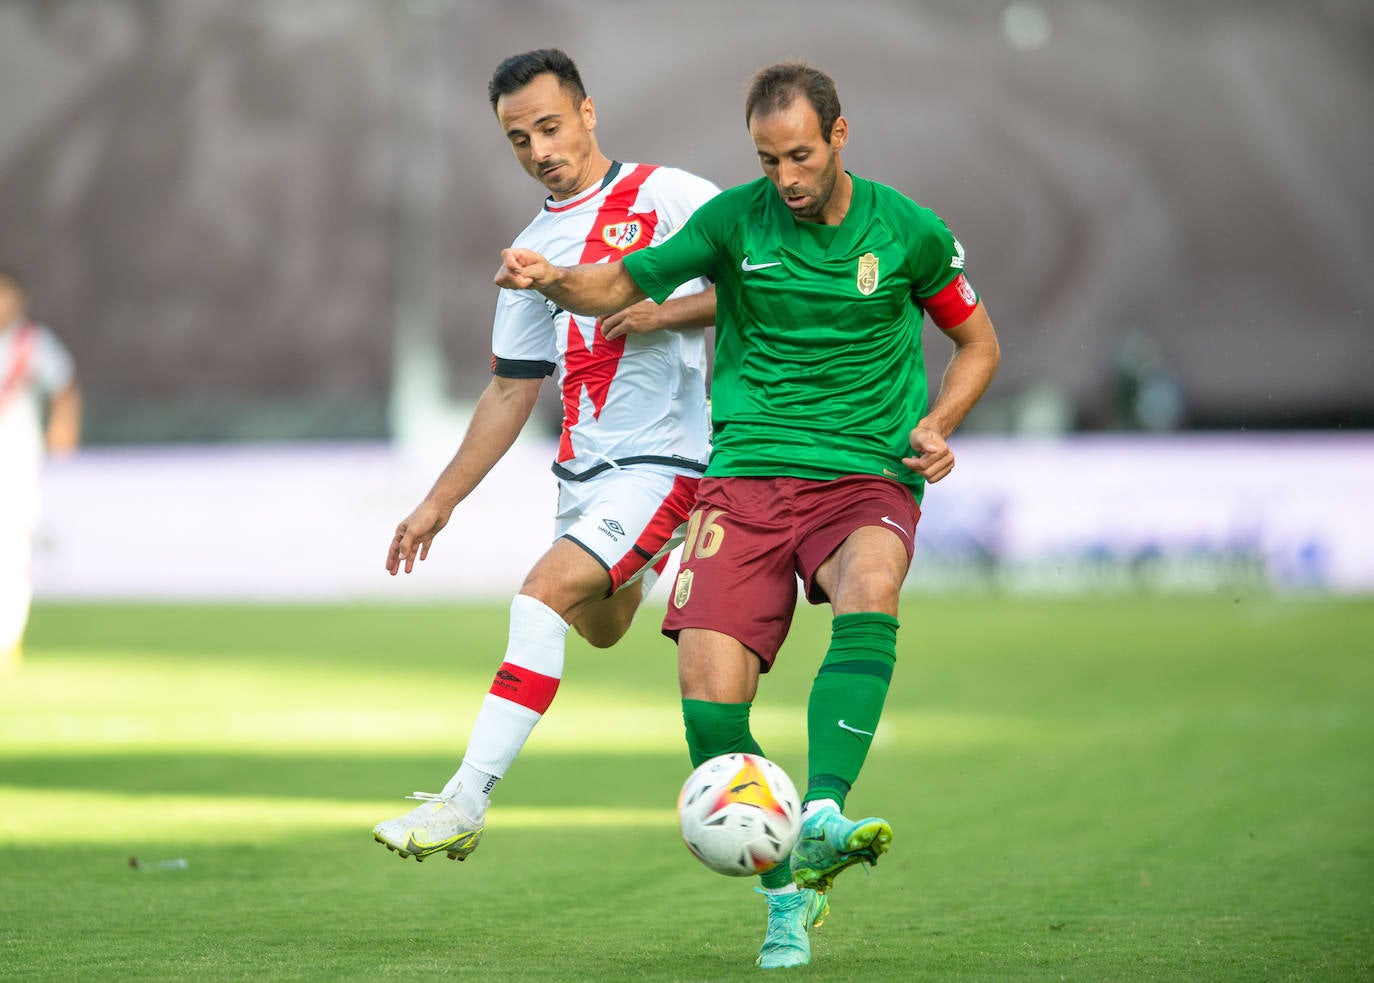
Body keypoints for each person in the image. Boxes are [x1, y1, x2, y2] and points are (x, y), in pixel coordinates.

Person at [495, 61, 1001, 970]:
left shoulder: (910, 231)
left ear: (839, 137)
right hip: (746, 479)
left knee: (872, 585)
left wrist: (939, 422)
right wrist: (551, 279)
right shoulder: (734, 220)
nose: (787, 179)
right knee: (708, 702)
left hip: (864, 474)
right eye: (769, 160)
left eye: (800, 156)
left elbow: (977, 341)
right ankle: (786, 900)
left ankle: (822, 811)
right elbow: (619, 285)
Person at [372, 49, 719, 862]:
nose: (539, 150)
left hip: (668, 460)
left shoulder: (668, 195)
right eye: (519, 138)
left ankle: (463, 800)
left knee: (538, 597)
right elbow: (509, 392)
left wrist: (664, 317)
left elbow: (755, 282)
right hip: (583, 478)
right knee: (598, 629)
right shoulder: (531, 249)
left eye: (551, 127)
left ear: (588, 113)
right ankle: (660, 554)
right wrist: (439, 500)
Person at [0, 267, 81, 671]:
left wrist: (63, 428)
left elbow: (65, 387)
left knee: (10, 548)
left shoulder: (32, 345)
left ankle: (6, 637)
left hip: (13, 459)